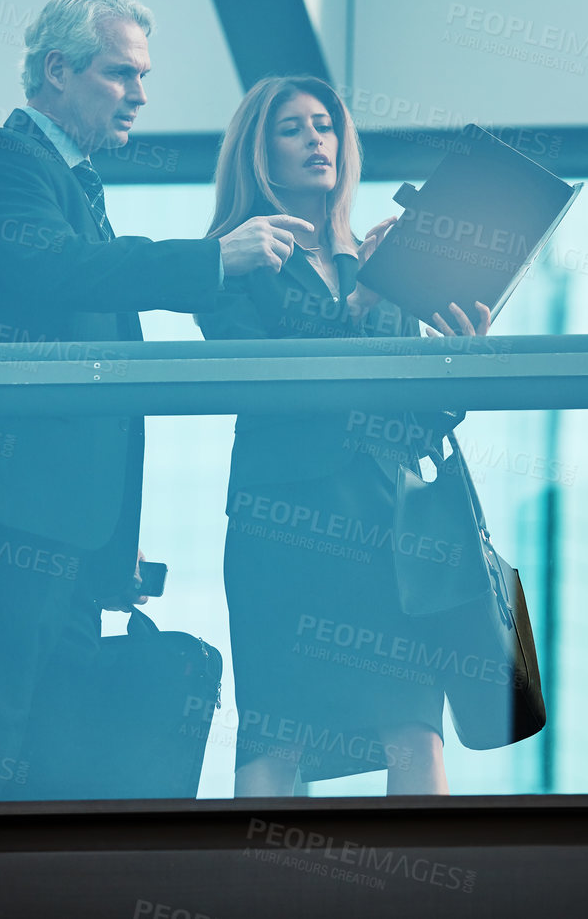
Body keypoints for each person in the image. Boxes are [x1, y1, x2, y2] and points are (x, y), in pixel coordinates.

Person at [0, 0, 308, 802]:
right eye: (121, 73)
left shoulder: (72, 186)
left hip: (61, 535)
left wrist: (113, 538)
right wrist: (208, 262)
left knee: (39, 772)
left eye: (143, 76)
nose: (141, 95)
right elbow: (58, 270)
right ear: (58, 70)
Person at [196, 76, 490, 796]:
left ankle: (421, 899)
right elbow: (268, 378)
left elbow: (412, 422)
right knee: (276, 732)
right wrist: (363, 303)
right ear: (259, 154)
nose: (316, 140)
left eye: (324, 125)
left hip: (388, 527)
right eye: (292, 128)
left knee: (415, 730)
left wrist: (460, 360)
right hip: (283, 522)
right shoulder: (235, 258)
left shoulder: (379, 265)